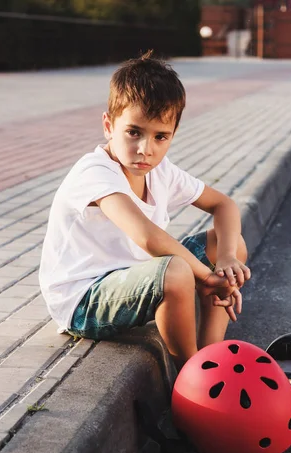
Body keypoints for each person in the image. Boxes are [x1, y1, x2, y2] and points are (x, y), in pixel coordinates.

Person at [39, 51, 251, 371]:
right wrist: (207, 276)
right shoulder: (95, 172)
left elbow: (224, 205)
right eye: (134, 132)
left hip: (132, 279)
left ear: (172, 135)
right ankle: (190, 372)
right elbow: (148, 238)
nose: (145, 149)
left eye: (160, 136)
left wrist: (225, 262)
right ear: (109, 125)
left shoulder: (159, 169)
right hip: (85, 300)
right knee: (177, 270)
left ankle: (212, 355)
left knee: (231, 244)